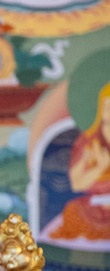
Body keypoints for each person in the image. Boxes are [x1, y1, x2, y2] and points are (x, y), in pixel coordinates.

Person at [50, 81, 110, 241]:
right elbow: (77, 184)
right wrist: (100, 168)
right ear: (101, 111)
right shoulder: (88, 142)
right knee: (73, 210)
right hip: (94, 206)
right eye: (108, 108)